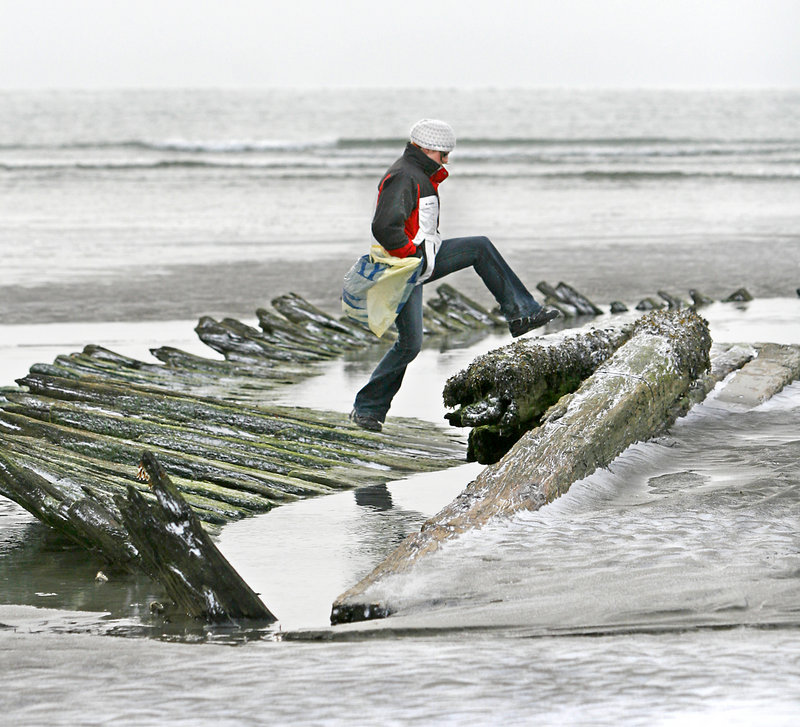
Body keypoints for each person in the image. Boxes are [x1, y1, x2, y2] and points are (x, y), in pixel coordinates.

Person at [350, 119, 558, 432]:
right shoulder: (404, 175)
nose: (447, 159)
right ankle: (366, 410)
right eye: (443, 153)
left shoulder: (419, 173)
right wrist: (410, 256)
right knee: (412, 342)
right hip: (402, 267)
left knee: (412, 341)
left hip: (418, 262)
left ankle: (522, 315)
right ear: (425, 147)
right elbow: (383, 226)